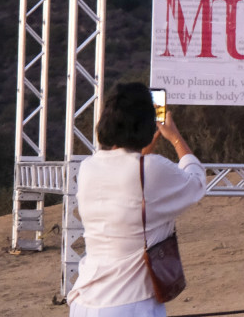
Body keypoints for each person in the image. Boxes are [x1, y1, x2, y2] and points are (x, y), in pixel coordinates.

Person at [68, 83, 206, 316]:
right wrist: (175, 137)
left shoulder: (88, 168)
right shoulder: (151, 168)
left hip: (85, 300)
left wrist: (142, 154)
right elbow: (197, 182)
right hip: (131, 302)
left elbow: (127, 181)